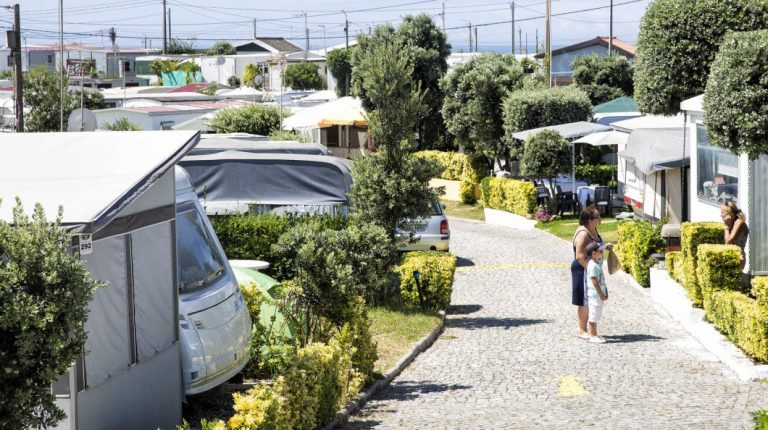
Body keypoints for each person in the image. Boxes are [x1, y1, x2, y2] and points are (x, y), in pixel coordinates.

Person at [571, 205, 612, 339]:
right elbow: (580, 256)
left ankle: (589, 329)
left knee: (591, 299)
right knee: (584, 300)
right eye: (597, 217)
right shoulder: (583, 233)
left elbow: (593, 248)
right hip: (583, 269)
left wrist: (605, 247)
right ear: (589, 220)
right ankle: (582, 330)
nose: (600, 219)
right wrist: (591, 271)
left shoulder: (593, 230)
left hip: (591, 268)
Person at [585, 241, 609, 344]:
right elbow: (594, 280)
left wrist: (605, 291)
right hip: (595, 295)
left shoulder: (596, 263)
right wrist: (600, 293)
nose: (602, 253)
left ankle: (594, 334)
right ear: (594, 253)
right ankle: (593, 336)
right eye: (600, 251)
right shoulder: (592, 265)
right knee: (593, 315)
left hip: (598, 295)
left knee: (596, 314)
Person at [721, 201, 749, 267]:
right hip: (732, 256)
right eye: (721, 213)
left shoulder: (739, 222)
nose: (722, 216)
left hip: (737, 258)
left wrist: (726, 226)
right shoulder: (732, 223)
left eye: (724, 213)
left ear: (732, 214)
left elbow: (728, 242)